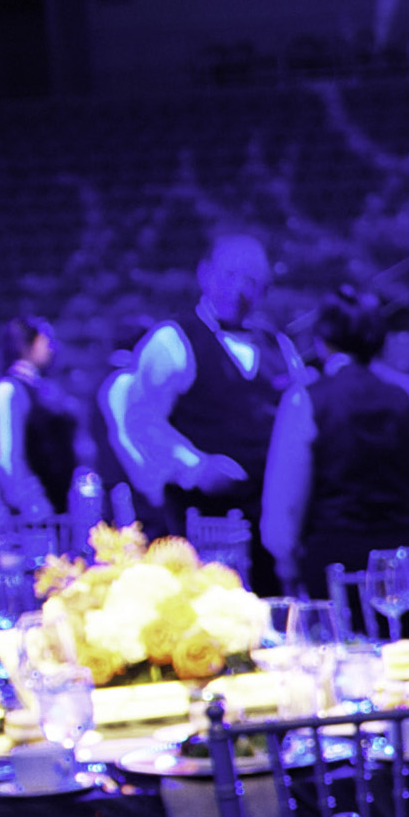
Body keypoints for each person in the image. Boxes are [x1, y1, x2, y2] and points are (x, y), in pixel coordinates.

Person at [115, 233, 297, 584]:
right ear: (204, 274)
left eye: (252, 281)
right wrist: (196, 468)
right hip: (197, 520)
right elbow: (141, 420)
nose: (240, 289)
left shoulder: (281, 346)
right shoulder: (172, 339)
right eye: (230, 276)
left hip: (268, 518)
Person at [262, 284, 409, 603]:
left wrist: (285, 560)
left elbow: (285, 500)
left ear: (322, 341)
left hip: (336, 568)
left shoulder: (306, 400)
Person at [0, 317, 100, 522]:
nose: (52, 348)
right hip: (33, 515)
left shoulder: (42, 387)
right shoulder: (7, 390)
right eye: (46, 341)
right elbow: (6, 457)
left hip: (56, 506)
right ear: (27, 344)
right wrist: (28, 501)